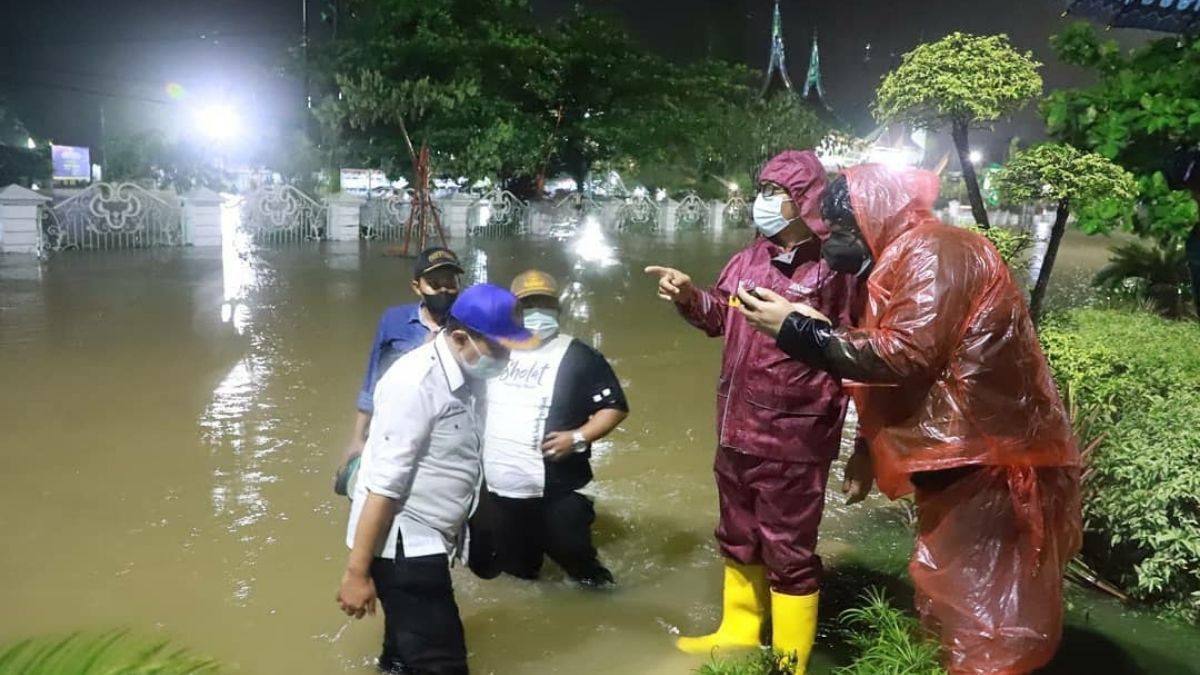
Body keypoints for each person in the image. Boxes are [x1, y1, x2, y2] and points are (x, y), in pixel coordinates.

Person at [734, 164, 1082, 675]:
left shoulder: (935, 250)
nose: (836, 245)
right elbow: (894, 357)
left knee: (986, 612)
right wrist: (862, 443)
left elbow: (905, 355)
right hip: (966, 454)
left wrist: (797, 333)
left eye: (844, 231)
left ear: (874, 214)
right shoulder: (904, 256)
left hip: (991, 456)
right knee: (962, 593)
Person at [645, 150, 862, 670]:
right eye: (762, 188)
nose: (762, 200)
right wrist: (687, 296)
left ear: (804, 199)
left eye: (775, 191)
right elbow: (721, 316)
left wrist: (869, 447)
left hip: (795, 436)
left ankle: (790, 662)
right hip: (736, 428)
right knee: (738, 533)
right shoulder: (750, 257)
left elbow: (862, 353)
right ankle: (739, 632)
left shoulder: (837, 269)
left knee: (789, 548)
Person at [336, 283, 539, 675]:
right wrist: (356, 573)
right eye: (501, 348)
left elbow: (463, 454)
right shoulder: (415, 384)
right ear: (461, 337)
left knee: (401, 658)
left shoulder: (469, 372)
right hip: (403, 546)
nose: (507, 359)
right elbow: (383, 485)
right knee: (442, 665)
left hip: (430, 537)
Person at [474, 270, 629, 587]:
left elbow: (614, 407)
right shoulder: (492, 351)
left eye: (544, 303)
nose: (536, 311)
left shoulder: (579, 356)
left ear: (557, 308)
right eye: (528, 304)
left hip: (559, 490)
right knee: (518, 574)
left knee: (582, 570)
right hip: (501, 490)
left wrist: (577, 437)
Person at [341, 247, 465, 468]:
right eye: (435, 284)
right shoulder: (394, 320)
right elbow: (373, 378)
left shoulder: (467, 327)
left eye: (450, 283)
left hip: (445, 432)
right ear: (417, 287)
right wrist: (358, 437)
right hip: (395, 426)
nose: (444, 290)